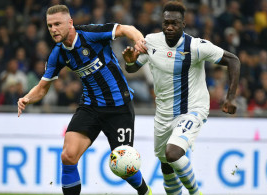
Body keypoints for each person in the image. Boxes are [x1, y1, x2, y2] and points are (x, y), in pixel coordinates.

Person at [17, 5, 151, 195]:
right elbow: (42, 87)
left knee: (123, 164)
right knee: (68, 156)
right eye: (49, 26)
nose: (53, 29)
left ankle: (145, 191)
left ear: (70, 23)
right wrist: (26, 98)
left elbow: (125, 29)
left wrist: (139, 41)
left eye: (57, 24)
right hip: (90, 106)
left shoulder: (91, 34)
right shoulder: (58, 53)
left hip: (119, 107)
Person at [122, 2, 240, 195]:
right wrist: (130, 63)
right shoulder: (151, 42)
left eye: (174, 23)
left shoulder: (196, 47)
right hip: (163, 113)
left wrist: (231, 97)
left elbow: (233, 60)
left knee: (173, 153)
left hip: (192, 108)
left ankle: (195, 192)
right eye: (166, 22)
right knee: (166, 165)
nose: (169, 27)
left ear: (183, 24)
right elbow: (134, 67)